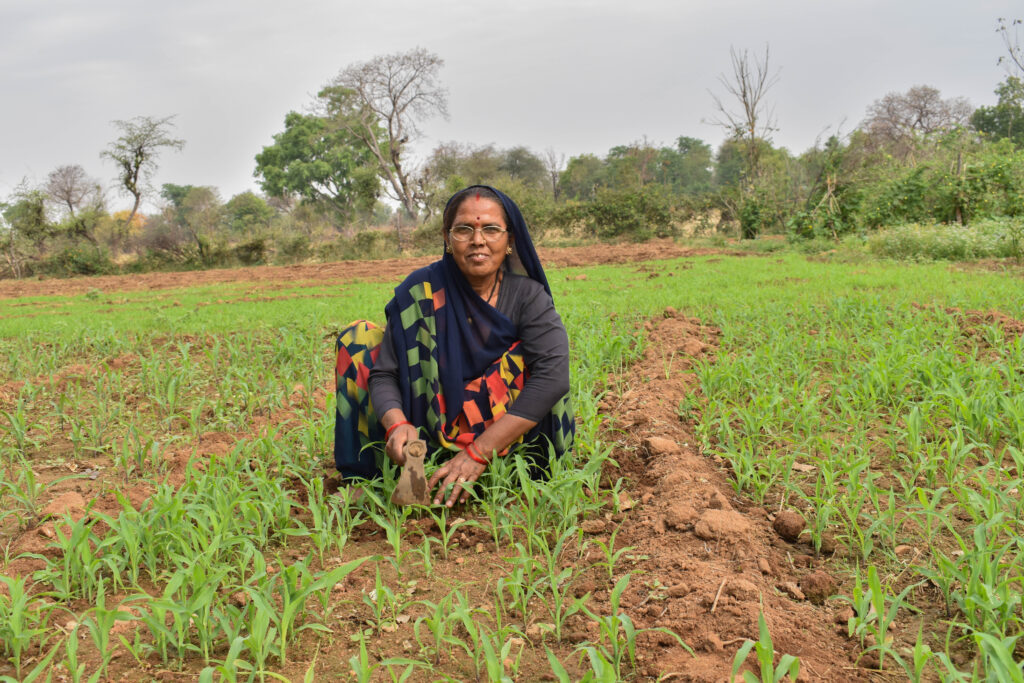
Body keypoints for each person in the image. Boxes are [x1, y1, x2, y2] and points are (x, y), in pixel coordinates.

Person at [333, 185, 574, 507]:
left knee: (543, 364)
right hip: (425, 425)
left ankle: (518, 471)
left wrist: (477, 452)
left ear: (510, 240)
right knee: (358, 338)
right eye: (464, 230)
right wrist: (397, 424)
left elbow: (553, 378)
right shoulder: (420, 290)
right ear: (447, 239)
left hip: (498, 429)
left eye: (491, 229)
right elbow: (385, 373)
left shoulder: (528, 298)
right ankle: (375, 477)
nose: (478, 240)